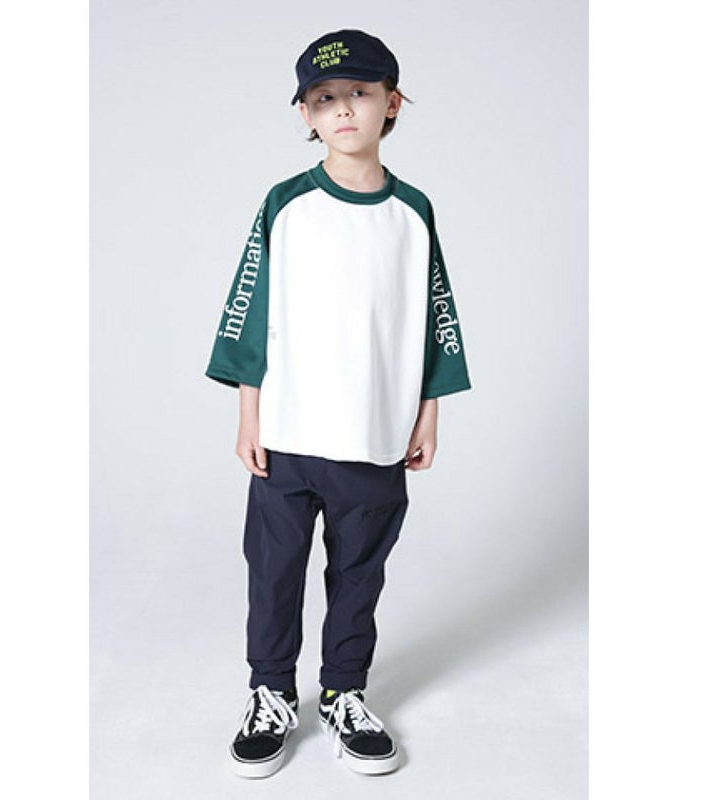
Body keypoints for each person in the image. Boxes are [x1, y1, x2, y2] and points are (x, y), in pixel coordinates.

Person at [205, 28, 473, 778]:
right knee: (274, 572)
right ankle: (269, 692)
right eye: (325, 98)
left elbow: (435, 314)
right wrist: (249, 416)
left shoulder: (413, 212)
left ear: (393, 103)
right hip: (289, 435)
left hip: (374, 434)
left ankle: (344, 692)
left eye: (360, 92)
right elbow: (252, 310)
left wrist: (428, 411)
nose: (344, 109)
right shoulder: (286, 205)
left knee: (359, 575)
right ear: (306, 115)